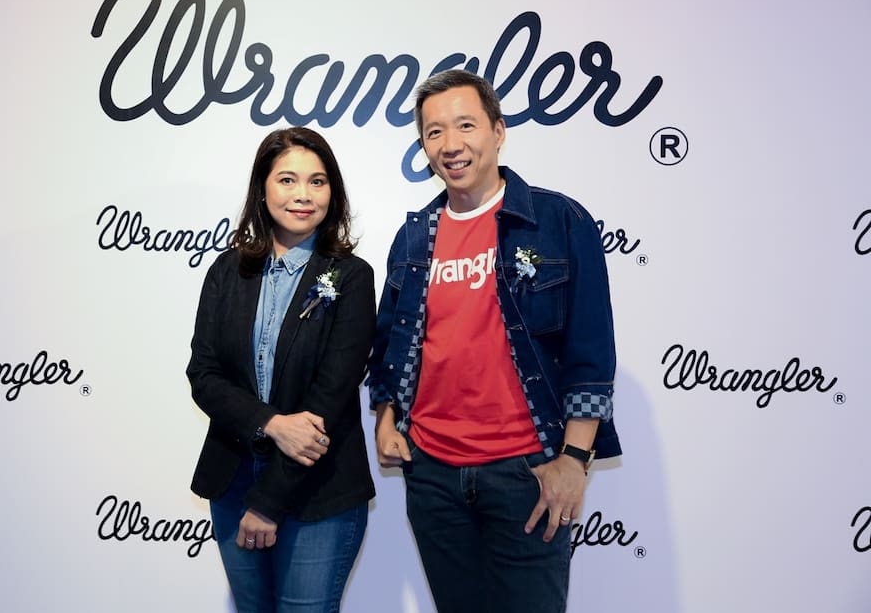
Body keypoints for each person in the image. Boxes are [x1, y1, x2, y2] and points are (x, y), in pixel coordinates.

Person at [366, 70, 620, 613]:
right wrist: (387, 420)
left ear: (498, 131)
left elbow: (591, 349)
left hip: (527, 473)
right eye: (434, 132)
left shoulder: (558, 220)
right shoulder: (413, 237)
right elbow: (390, 343)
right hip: (433, 475)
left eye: (465, 125)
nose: (450, 144)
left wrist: (574, 459)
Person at [186, 126, 376, 613]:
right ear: (263, 188)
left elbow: (331, 397)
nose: (302, 195)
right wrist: (270, 423)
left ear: (332, 193)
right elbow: (204, 375)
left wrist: (269, 501)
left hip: (319, 487)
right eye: (287, 180)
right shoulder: (226, 271)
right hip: (233, 478)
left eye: (317, 181)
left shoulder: (351, 277)